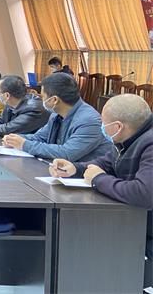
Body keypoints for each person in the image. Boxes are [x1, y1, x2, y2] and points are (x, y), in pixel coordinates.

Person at [48, 94, 152, 290]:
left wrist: (98, 179)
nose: (102, 128)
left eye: (104, 124)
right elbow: (106, 163)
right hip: (134, 224)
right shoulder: (130, 138)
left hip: (144, 232)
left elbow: (143, 193)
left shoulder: (149, 144)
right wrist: (75, 168)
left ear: (118, 126)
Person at [2, 73, 113, 162]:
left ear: (54, 100)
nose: (40, 98)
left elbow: (67, 153)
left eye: (43, 96)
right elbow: (40, 137)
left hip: (84, 176)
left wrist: (24, 144)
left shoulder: (89, 120)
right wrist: (15, 139)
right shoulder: (56, 114)